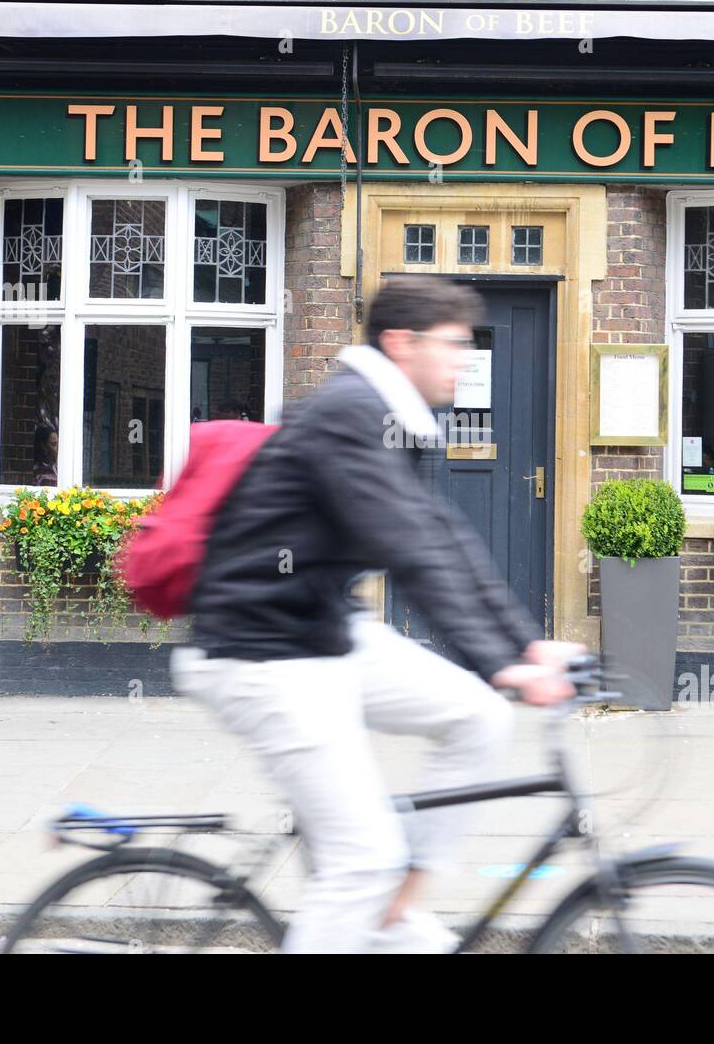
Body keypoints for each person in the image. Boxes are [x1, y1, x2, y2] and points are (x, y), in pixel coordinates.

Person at [174, 275, 581, 954]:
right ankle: (375, 896)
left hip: (323, 633)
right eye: (454, 344)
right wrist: (504, 663)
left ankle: (396, 905)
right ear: (401, 341)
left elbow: (443, 537)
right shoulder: (348, 414)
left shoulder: (390, 418)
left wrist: (525, 648)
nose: (465, 359)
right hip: (261, 651)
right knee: (359, 860)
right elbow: (408, 550)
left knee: (479, 715)